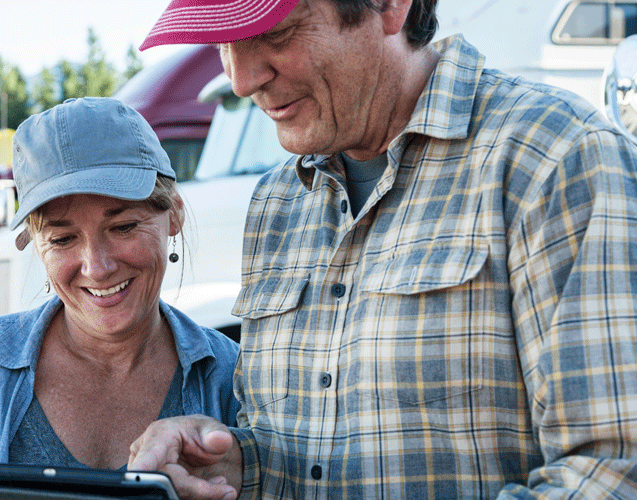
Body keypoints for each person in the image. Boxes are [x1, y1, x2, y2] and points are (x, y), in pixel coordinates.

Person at [128, 0, 637, 499]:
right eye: (224, 42)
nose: (241, 80)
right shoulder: (275, 202)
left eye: (275, 33)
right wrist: (231, 465)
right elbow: (310, 456)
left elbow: (612, 471)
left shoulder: (555, 155)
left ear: (391, 7)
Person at [0, 97, 241, 498]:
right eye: (62, 239)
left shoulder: (230, 379)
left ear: (174, 214)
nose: (96, 266)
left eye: (124, 226)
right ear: (35, 245)